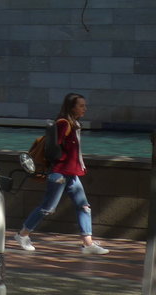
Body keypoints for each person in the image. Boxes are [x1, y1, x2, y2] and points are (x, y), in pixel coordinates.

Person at [16, 92, 109, 255]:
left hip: (71, 174)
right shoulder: (63, 124)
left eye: (84, 105)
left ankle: (88, 244)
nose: (84, 109)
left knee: (84, 206)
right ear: (71, 107)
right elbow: (52, 149)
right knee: (47, 208)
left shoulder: (73, 124)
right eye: (81, 105)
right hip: (59, 174)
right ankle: (22, 235)